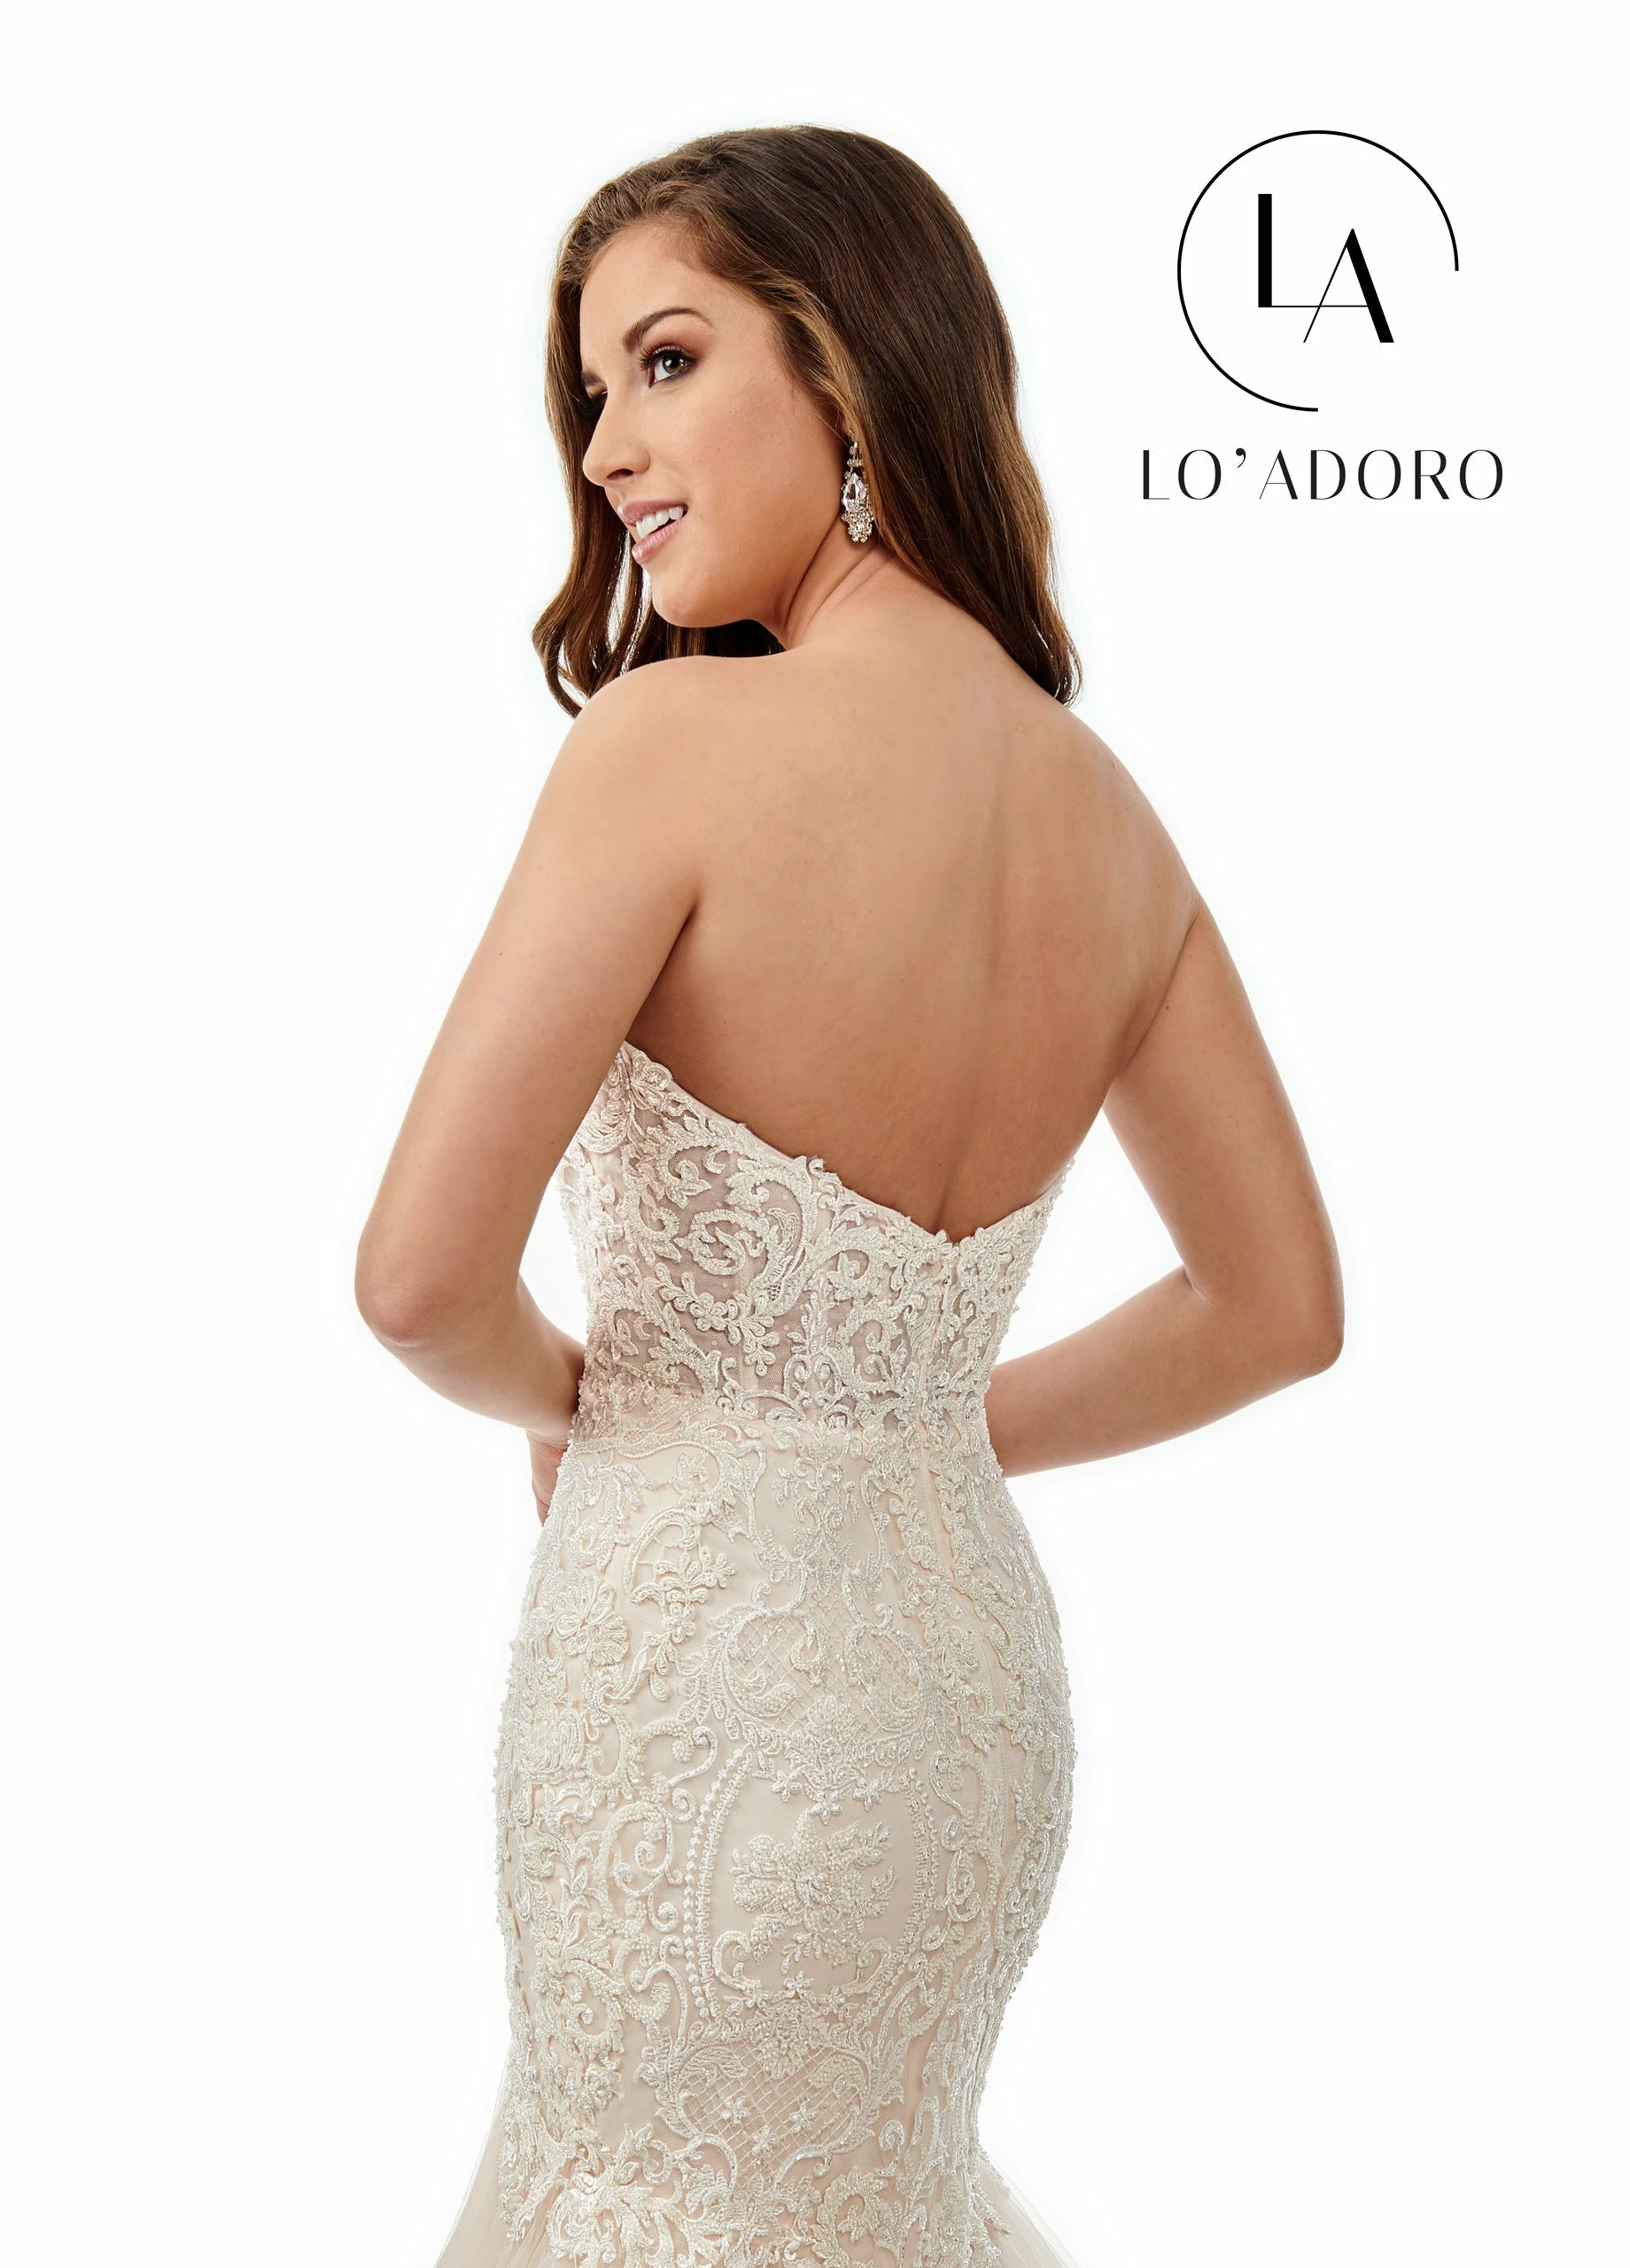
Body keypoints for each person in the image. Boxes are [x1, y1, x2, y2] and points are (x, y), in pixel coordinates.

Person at [356, 125, 1342, 2268]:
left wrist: (586, 1394)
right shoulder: (1111, 822)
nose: (605, 449)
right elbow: (1275, 1306)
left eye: (665, 359)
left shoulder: (665, 749)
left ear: (848, 363)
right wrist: (906, 1419)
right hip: (956, 1687)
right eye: (590, 390)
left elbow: (420, 1278)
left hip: (698, 1671)